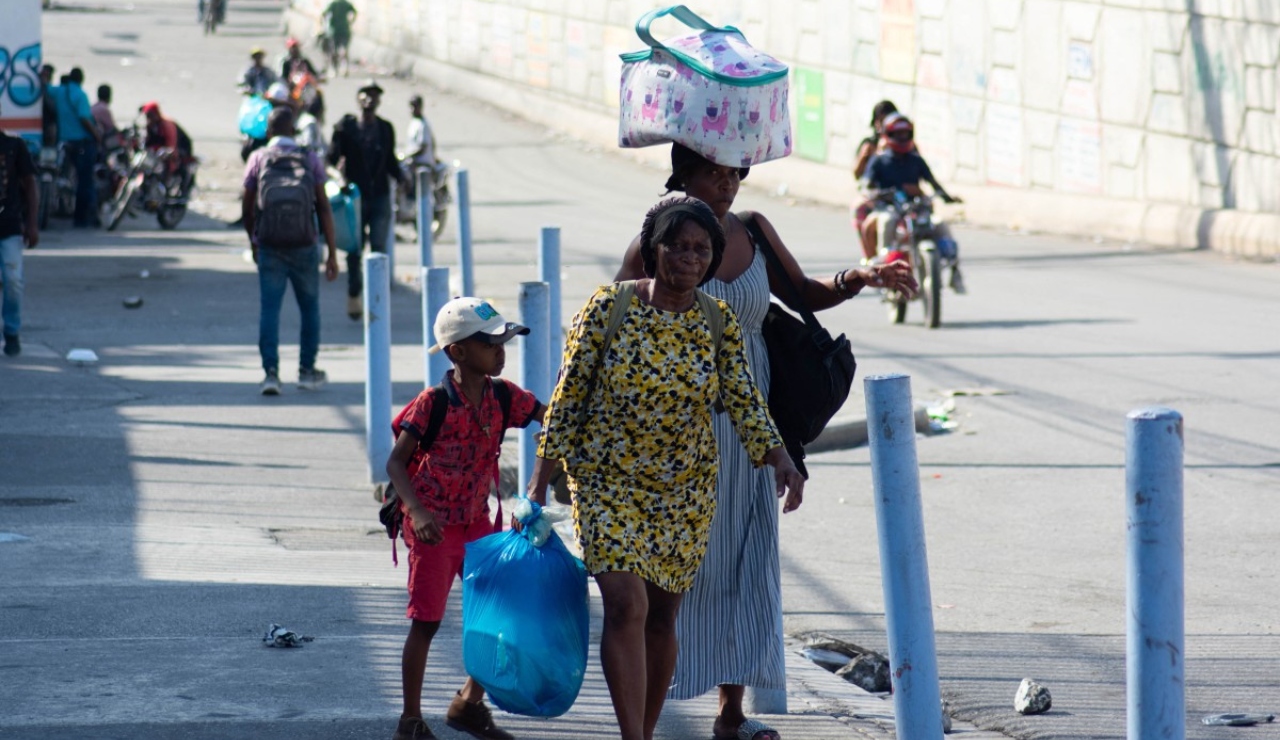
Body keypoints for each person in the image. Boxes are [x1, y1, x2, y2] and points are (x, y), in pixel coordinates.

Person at [615, 144, 918, 740]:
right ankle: (645, 718)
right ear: (683, 172)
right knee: (679, 567)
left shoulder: (751, 230)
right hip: (677, 431)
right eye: (712, 173)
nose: (726, 185)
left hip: (753, 424)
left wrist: (859, 276)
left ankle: (732, 710)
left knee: (745, 556)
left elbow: (804, 292)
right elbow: (615, 321)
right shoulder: (660, 238)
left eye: (734, 174)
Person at [529, 197, 806, 740]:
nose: (688, 257)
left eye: (701, 249)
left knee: (661, 617)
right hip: (608, 481)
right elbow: (567, 397)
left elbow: (746, 400)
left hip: (686, 489)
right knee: (626, 605)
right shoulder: (608, 308)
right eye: (676, 245)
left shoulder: (716, 320)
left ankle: (646, 731)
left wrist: (779, 455)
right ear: (652, 250)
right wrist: (539, 480)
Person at [385, 296, 546, 740]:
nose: (501, 351)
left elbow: (547, 416)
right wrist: (415, 512)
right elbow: (396, 464)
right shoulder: (432, 402)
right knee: (427, 622)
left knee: (501, 614)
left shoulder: (503, 395)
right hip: (434, 528)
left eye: (504, 341)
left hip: (478, 522)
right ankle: (410, 720)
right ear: (457, 351)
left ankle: (468, 704)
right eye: (491, 343)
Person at [241, 107, 339, 395]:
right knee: (309, 309)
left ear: (269, 131)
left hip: (270, 245)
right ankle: (307, 371)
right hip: (304, 244)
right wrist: (332, 252)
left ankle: (271, 374)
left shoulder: (258, 158)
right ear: (293, 130)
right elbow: (323, 206)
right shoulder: (309, 158)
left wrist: (254, 240)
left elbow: (247, 207)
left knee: (269, 310)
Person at [861, 113, 965, 292]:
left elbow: (933, 182)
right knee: (887, 221)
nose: (902, 139)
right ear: (888, 135)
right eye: (897, 135)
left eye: (905, 134)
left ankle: (955, 272)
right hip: (890, 208)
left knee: (940, 226)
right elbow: (866, 185)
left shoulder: (916, 160)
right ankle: (883, 264)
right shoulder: (879, 161)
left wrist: (946, 197)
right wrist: (877, 193)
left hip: (916, 208)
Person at [327, 80, 403, 320]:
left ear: (379, 101)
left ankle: (378, 298)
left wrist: (403, 178)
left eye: (374, 96)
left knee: (379, 248)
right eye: (365, 95)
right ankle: (354, 294)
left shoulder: (385, 128)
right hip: (355, 198)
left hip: (379, 195)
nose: (369, 100)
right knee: (354, 248)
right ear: (358, 99)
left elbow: (390, 160)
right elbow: (329, 161)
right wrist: (338, 177)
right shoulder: (345, 128)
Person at [0, 102, 40, 357]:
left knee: (13, 280)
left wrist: (33, 223)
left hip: (10, 225)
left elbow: (30, 185)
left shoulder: (14, 146)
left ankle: (12, 332)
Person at [52, 67, 101, 228]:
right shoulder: (80, 94)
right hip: (82, 143)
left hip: (65, 143)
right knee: (85, 181)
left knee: (71, 178)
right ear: (81, 79)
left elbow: (44, 88)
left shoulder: (59, 92)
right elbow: (84, 118)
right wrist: (96, 135)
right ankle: (83, 218)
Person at [850, 100, 898, 261]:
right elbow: (857, 174)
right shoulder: (869, 144)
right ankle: (871, 259)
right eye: (880, 120)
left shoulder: (902, 142)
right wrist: (865, 157)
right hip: (876, 195)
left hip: (899, 194)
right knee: (859, 209)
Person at [279, 37, 326, 123]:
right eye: (293, 48)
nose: (295, 50)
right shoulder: (286, 63)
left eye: (296, 47)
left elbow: (313, 73)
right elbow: (283, 78)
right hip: (293, 89)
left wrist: (320, 78)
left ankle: (319, 117)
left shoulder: (305, 61)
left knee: (318, 95)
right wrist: (289, 84)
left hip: (306, 88)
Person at [322, 0, 358, 76]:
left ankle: (335, 70)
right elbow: (355, 12)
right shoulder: (346, 3)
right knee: (344, 49)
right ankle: (346, 69)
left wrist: (326, 24)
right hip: (345, 29)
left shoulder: (333, 4)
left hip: (335, 31)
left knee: (334, 50)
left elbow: (324, 14)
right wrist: (351, 21)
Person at [39, 65, 58, 146]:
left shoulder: (48, 88)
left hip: (47, 122)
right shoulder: (47, 88)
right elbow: (52, 107)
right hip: (47, 123)